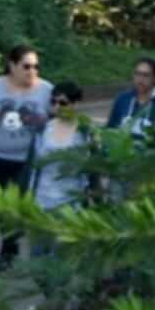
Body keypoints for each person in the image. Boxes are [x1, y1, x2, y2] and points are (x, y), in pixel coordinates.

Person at [0, 44, 52, 274]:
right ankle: (10, 249)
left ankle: (18, 251)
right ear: (12, 66)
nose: (32, 71)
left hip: (30, 159)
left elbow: (62, 118)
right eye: (26, 66)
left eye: (36, 66)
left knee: (22, 202)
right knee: (3, 205)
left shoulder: (47, 91)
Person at [29, 81, 90, 259]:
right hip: (42, 202)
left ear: (75, 104)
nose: (57, 107)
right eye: (53, 102)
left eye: (62, 103)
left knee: (63, 257)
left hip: (70, 203)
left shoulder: (85, 131)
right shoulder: (43, 129)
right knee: (38, 254)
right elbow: (33, 166)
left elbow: (91, 170)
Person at [106, 57, 155, 151]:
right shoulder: (123, 99)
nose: (140, 79)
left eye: (146, 75)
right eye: (137, 74)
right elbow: (111, 130)